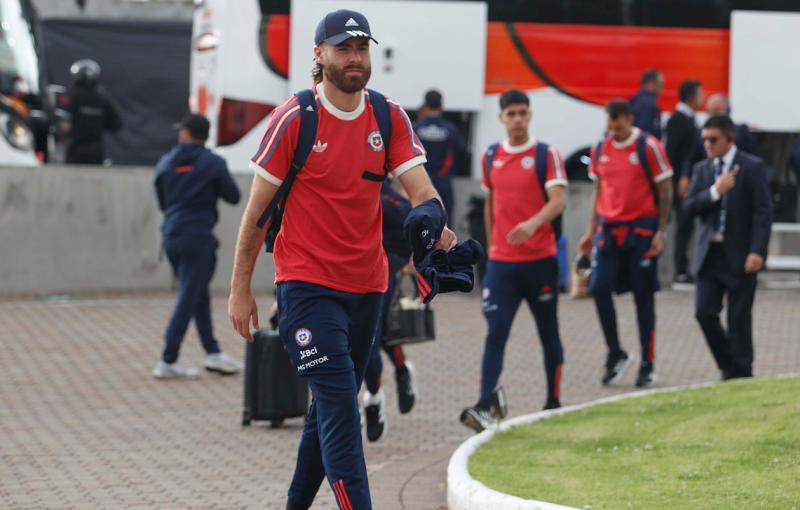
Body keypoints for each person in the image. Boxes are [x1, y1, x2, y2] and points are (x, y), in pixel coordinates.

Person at [227, 10, 456, 510]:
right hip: (305, 286)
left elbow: (421, 191)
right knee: (340, 414)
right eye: (343, 48)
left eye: (361, 49)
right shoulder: (294, 118)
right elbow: (257, 214)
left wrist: (432, 221)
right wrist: (240, 286)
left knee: (326, 414)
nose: (355, 58)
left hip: (368, 287)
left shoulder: (388, 115)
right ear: (319, 55)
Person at [460, 89, 567, 433]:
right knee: (495, 334)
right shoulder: (491, 155)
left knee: (548, 333)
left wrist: (533, 225)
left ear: (530, 115)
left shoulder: (545, 154)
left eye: (523, 113)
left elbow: (559, 201)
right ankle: (485, 405)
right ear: (502, 118)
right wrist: (492, 248)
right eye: (512, 114)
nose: (518, 119)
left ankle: (553, 400)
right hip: (503, 265)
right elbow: (491, 203)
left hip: (541, 262)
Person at [578, 99, 673, 388]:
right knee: (599, 288)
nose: (614, 131)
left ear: (629, 120)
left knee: (643, 297)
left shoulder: (648, 146)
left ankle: (648, 362)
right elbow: (598, 189)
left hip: (641, 231)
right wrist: (590, 230)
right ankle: (616, 352)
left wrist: (661, 231)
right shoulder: (601, 149)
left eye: (618, 125)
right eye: (610, 125)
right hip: (609, 229)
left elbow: (665, 189)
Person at [153, 114, 242, 379]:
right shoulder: (213, 163)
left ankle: (212, 353)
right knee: (189, 296)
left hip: (171, 235)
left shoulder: (166, 162)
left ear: (186, 134)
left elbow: (162, 201)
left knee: (197, 293)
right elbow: (233, 196)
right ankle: (167, 359)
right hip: (198, 237)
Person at [683, 115, 772, 380]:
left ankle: (742, 374)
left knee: (739, 320)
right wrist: (715, 191)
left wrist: (757, 251)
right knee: (704, 312)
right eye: (704, 140)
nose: (707, 145)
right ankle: (728, 365)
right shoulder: (703, 170)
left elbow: (762, 213)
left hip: (740, 254)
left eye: (713, 139)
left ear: (729, 138)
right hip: (710, 256)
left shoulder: (752, 167)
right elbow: (688, 208)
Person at [362, 180, 417, 442]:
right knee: (369, 336)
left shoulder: (394, 202)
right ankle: (401, 371)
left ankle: (373, 398)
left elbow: (409, 235)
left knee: (373, 337)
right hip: (338, 276)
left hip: (381, 277)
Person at [666, 80, 705, 286]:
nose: (703, 98)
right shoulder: (677, 120)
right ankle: (680, 271)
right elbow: (673, 154)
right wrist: (681, 177)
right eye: (700, 94)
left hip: (690, 181)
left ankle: (686, 268)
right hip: (682, 183)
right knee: (683, 226)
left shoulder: (690, 120)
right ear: (691, 96)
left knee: (688, 226)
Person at [413, 89, 466, 225]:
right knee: (445, 224)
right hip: (443, 182)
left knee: (419, 223)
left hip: (419, 182)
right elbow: (461, 152)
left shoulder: (416, 128)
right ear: (441, 106)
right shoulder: (451, 129)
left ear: (425, 105)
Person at [65, 59, 122, 164]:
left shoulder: (71, 97)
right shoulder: (102, 100)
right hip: (96, 151)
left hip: (75, 150)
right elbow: (116, 125)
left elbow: (63, 120)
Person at [630, 69, 665, 139]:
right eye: (661, 84)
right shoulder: (648, 104)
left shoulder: (635, 99)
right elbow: (643, 132)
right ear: (651, 83)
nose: (662, 88)